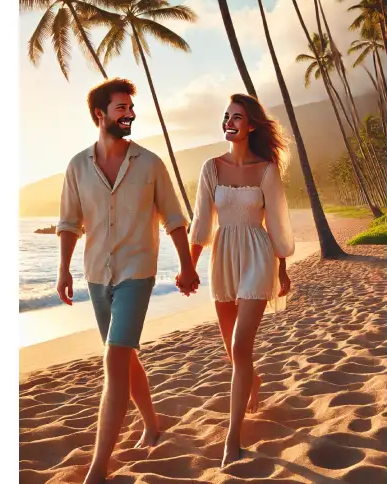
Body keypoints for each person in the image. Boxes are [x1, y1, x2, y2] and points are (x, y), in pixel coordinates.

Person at [55, 77, 200, 484]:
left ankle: (99, 468)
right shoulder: (76, 167)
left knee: (114, 359)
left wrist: (187, 266)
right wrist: (63, 269)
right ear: (99, 115)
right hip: (97, 276)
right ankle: (152, 425)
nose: (130, 114)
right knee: (126, 356)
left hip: (138, 273)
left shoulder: (151, 163)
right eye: (121, 108)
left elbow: (174, 219)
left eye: (131, 109)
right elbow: (69, 223)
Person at [189, 93, 295, 467]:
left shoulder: (266, 169)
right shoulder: (210, 168)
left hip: (257, 255)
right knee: (233, 351)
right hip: (223, 257)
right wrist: (189, 266)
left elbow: (279, 222)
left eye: (237, 117)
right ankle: (254, 378)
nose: (229, 121)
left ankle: (232, 437)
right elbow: (201, 221)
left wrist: (283, 268)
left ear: (251, 125)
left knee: (239, 347)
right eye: (226, 116)